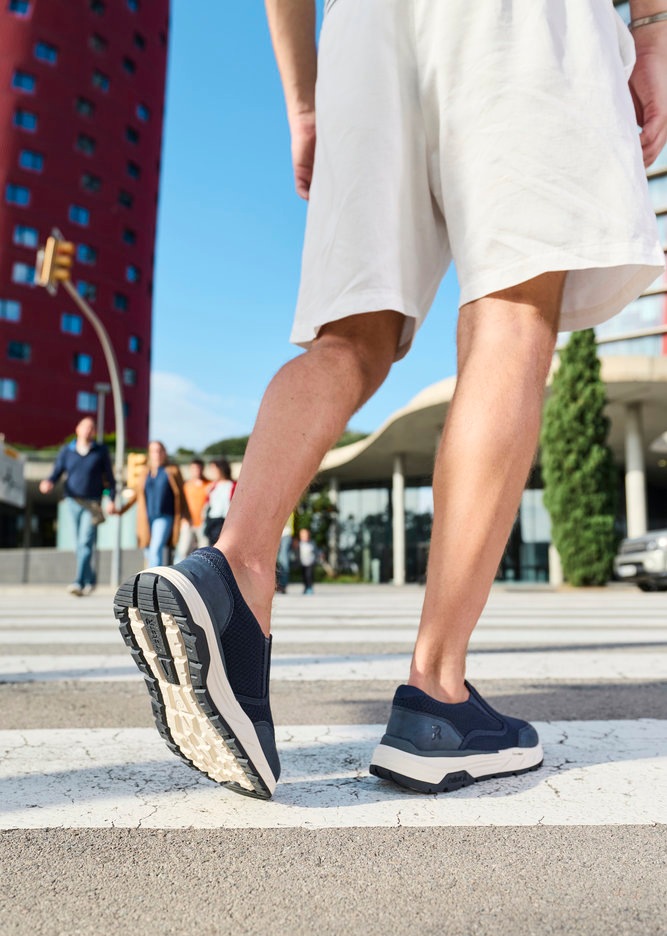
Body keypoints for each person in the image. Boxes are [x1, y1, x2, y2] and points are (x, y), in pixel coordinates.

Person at [114, 0, 667, 800]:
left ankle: (231, 571)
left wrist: (305, 105)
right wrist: (651, 30)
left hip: (363, 32)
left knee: (348, 340)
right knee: (512, 312)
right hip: (520, 24)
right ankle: (436, 695)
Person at [40, 416, 114, 596]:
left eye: (91, 428)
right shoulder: (67, 450)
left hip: (92, 503)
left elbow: (110, 478)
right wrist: (49, 482)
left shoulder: (100, 451)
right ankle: (90, 579)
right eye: (85, 427)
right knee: (79, 546)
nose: (88, 430)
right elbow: (57, 471)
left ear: (94, 432)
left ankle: (79, 582)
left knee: (85, 542)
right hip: (72, 502)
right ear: (77, 429)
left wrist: (111, 499)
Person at [113, 441, 190, 568]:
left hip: (165, 515)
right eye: (154, 451)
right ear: (149, 454)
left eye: (160, 451)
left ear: (164, 453)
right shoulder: (145, 472)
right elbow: (136, 495)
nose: (157, 454)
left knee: (156, 548)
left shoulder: (172, 471)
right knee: (148, 551)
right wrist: (121, 510)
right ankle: (153, 575)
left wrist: (186, 516)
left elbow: (181, 494)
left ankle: (153, 578)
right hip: (146, 517)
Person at [176, 457, 210, 560]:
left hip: (203, 523)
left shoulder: (209, 485)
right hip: (188, 522)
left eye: (198, 468)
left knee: (204, 550)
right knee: (183, 550)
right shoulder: (186, 486)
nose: (197, 471)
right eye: (194, 469)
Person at [202, 459, 236, 546]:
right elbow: (208, 503)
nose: (212, 472)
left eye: (214, 469)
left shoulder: (233, 485)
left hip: (225, 522)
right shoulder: (212, 486)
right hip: (212, 521)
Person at [276, 512, 295, 593]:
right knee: (278, 559)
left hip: (285, 533)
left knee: (283, 559)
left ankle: (282, 584)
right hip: (277, 533)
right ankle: (278, 584)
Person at [298, 526, 316, 595]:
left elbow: (316, 551)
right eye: (302, 535)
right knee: (304, 576)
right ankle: (305, 587)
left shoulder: (312, 543)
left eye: (305, 535)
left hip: (310, 562)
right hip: (303, 563)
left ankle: (310, 587)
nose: (304, 537)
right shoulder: (299, 544)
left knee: (309, 576)